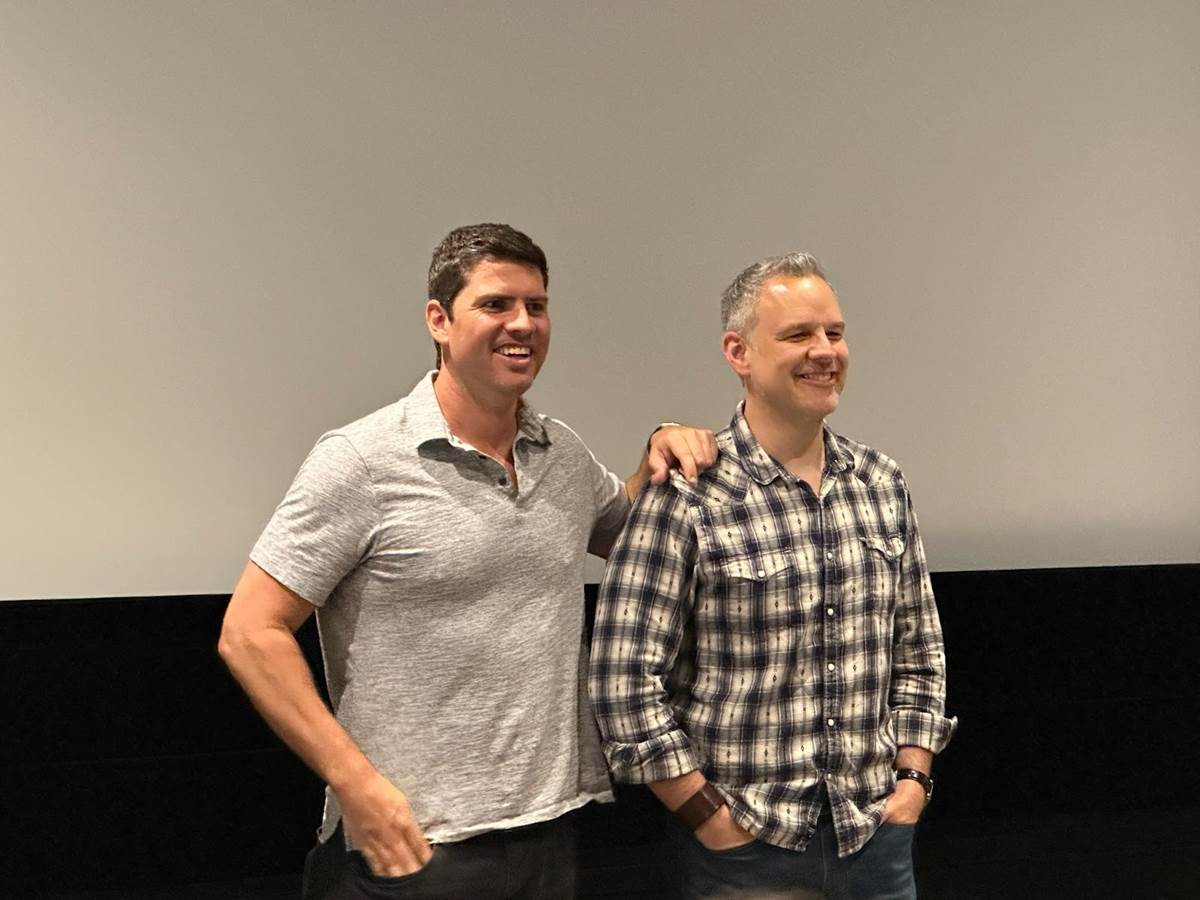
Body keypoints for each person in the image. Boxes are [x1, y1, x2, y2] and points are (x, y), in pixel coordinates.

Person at [218, 223, 717, 900]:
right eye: (495, 304)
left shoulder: (560, 454)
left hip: (548, 832)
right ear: (439, 320)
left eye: (536, 306)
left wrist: (661, 443)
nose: (523, 323)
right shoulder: (362, 460)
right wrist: (356, 784)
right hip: (410, 850)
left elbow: (632, 534)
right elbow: (250, 631)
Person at [589, 251, 956, 900]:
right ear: (739, 352)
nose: (825, 351)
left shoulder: (880, 481)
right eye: (798, 335)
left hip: (876, 841)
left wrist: (913, 783)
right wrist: (710, 818)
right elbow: (622, 679)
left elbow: (918, 650)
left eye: (834, 333)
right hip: (744, 856)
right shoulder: (689, 492)